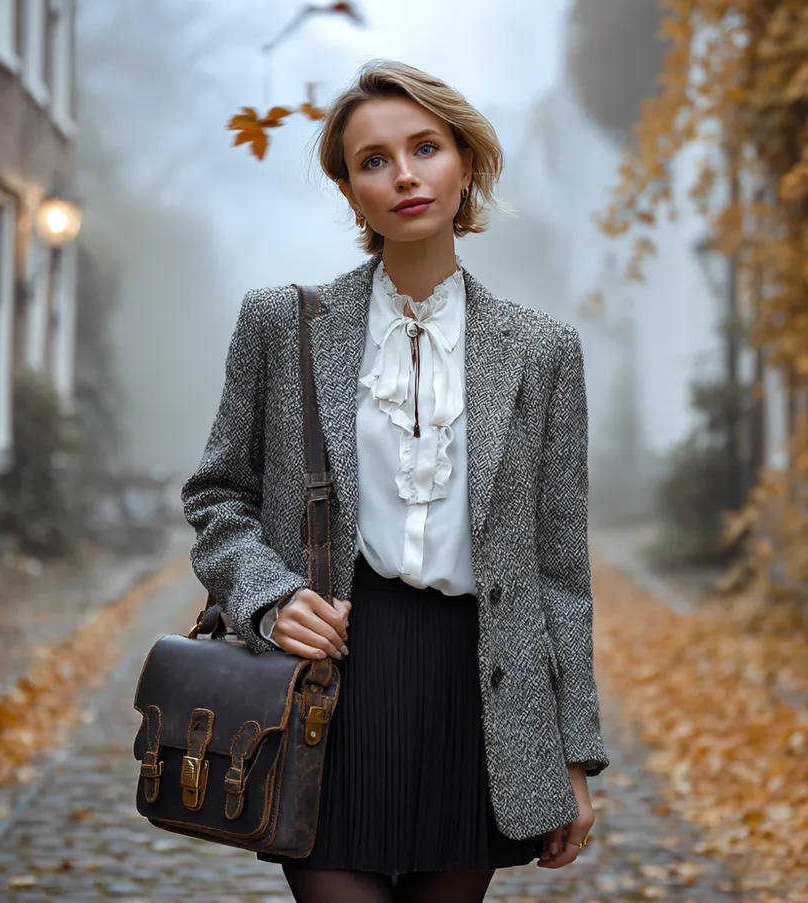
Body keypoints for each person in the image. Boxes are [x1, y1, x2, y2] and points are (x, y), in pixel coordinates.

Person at [182, 59, 608, 903]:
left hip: (481, 697)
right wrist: (270, 596)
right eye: (374, 160)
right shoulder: (282, 324)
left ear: (466, 165)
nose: (405, 174)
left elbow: (560, 570)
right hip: (327, 685)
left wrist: (571, 753)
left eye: (426, 147)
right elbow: (217, 496)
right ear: (349, 192)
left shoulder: (541, 351)